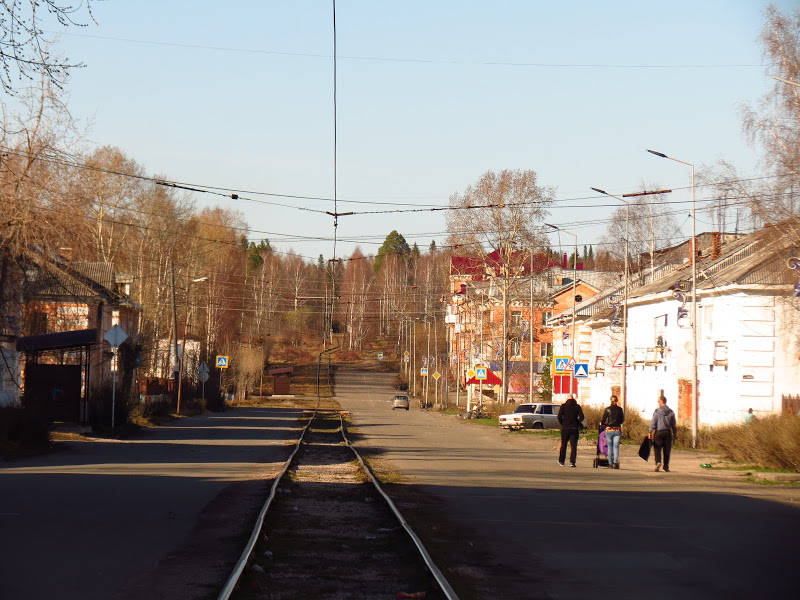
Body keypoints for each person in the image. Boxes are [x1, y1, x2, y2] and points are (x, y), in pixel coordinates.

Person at [648, 396, 677, 472]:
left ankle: (658, 462)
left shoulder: (657, 412)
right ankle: (666, 466)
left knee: (657, 448)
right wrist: (675, 433)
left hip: (659, 432)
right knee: (667, 450)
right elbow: (673, 424)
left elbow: (653, 422)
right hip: (668, 432)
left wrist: (650, 431)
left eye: (659, 401)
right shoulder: (671, 412)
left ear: (662, 402)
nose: (658, 403)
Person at [557, 395, 585, 467]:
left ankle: (561, 461)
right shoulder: (577, 407)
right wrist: (578, 422)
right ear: (574, 399)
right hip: (574, 428)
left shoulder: (563, 406)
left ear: (567, 399)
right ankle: (572, 462)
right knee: (573, 446)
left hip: (565, 428)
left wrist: (562, 423)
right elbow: (582, 417)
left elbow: (559, 416)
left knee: (564, 444)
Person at [601, 394, 624, 469]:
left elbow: (603, 420)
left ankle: (610, 463)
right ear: (617, 401)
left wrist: (602, 423)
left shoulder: (608, 409)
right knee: (616, 447)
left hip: (609, 429)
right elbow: (622, 420)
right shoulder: (620, 410)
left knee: (610, 447)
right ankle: (615, 462)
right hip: (617, 429)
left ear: (611, 400)